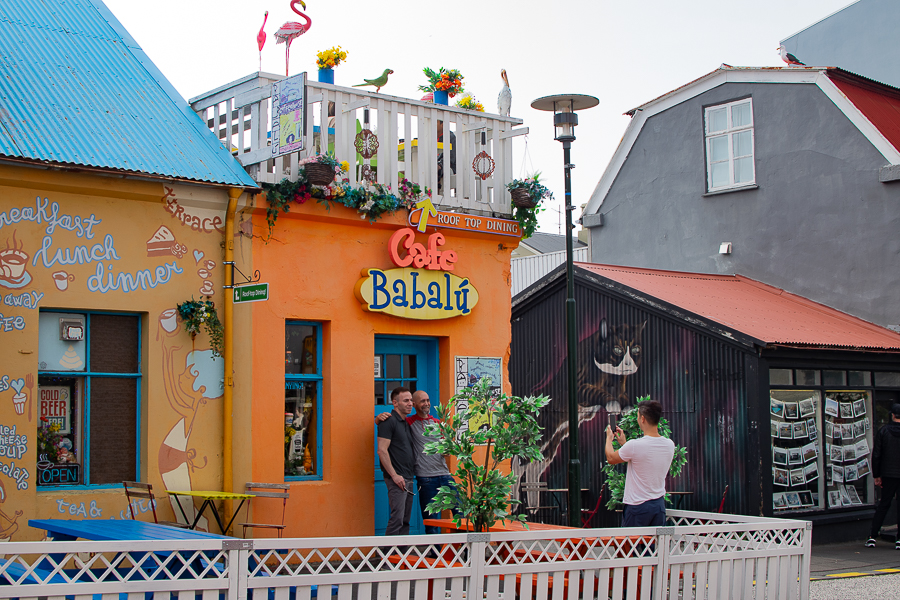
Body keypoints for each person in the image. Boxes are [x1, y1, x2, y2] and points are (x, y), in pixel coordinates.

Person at [377, 390, 458, 533]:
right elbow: (384, 440)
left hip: (439, 475)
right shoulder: (407, 422)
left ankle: (464, 552)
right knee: (425, 520)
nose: (426, 403)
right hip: (422, 478)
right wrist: (377, 418)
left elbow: (447, 449)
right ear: (414, 404)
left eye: (427, 400)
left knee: (460, 514)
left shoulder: (436, 423)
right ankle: (431, 553)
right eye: (422, 401)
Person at [604, 400, 675, 527]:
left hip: (637, 506)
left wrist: (609, 438)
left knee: (631, 545)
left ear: (642, 418)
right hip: (658, 504)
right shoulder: (669, 444)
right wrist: (624, 444)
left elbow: (610, 458)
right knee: (654, 546)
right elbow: (644, 459)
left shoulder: (635, 446)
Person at [377, 387, 416, 536]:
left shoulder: (406, 422)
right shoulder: (388, 421)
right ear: (395, 403)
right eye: (406, 400)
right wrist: (394, 475)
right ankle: (387, 557)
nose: (410, 403)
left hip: (408, 476)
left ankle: (401, 556)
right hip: (397, 478)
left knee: (405, 520)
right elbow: (382, 450)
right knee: (397, 519)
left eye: (411, 400)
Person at [866, 403, 900, 549]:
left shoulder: (883, 431)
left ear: (892, 415)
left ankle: (873, 536)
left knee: (884, 504)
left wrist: (877, 474)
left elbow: (877, 455)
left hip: (888, 474)